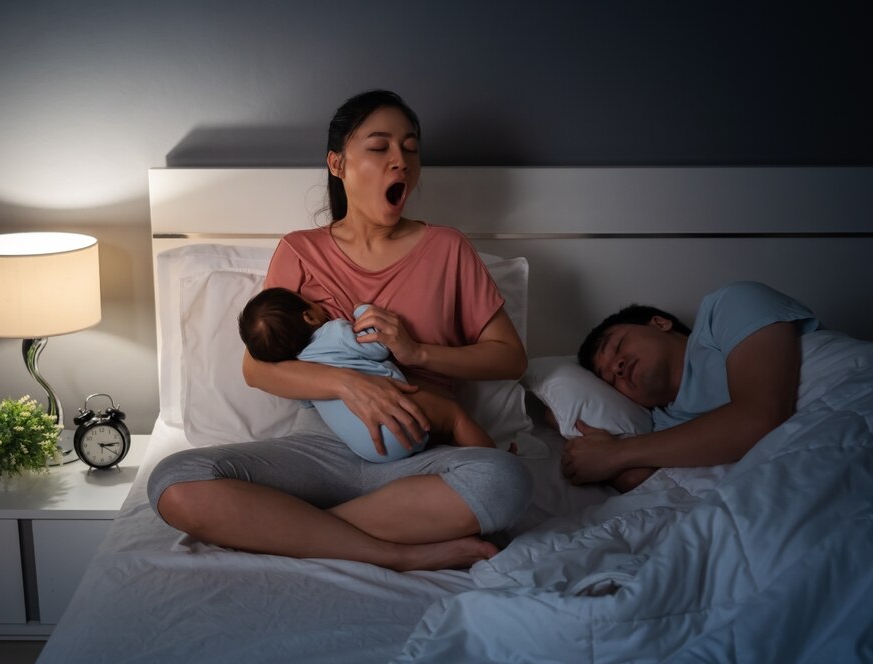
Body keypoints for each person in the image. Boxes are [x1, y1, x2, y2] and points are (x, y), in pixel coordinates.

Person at [147, 89, 532, 571]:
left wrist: (417, 353)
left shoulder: (447, 247)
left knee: (505, 480)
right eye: (380, 147)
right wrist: (349, 384)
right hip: (319, 447)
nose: (401, 161)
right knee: (175, 480)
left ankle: (288, 527)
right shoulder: (301, 250)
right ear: (337, 163)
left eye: (410, 149)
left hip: (419, 450)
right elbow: (258, 369)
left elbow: (509, 358)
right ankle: (390, 552)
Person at [562, 280, 819, 493]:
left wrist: (616, 453)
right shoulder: (663, 424)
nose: (617, 367)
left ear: (660, 323)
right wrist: (562, 422)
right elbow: (641, 483)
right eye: (610, 380)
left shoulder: (728, 308)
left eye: (618, 346)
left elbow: (761, 415)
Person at [238, 286, 496, 462]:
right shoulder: (334, 332)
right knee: (455, 417)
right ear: (309, 316)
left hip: (368, 449)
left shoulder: (298, 367)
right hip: (394, 419)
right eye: (309, 301)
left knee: (434, 422)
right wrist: (363, 311)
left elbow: (308, 401)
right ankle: (498, 461)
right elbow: (377, 348)